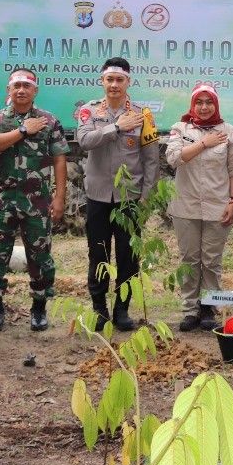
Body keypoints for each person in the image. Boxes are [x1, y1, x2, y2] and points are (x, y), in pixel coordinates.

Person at [0, 70, 69, 332]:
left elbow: (60, 158)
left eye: (26, 86)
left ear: (35, 91)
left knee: (40, 257)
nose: (21, 90)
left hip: (37, 201)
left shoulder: (49, 121)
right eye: (16, 86)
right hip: (1, 201)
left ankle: (39, 308)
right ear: (8, 89)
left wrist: (60, 197)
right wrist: (22, 130)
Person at [76, 57, 161, 331]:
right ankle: (99, 309)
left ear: (128, 82)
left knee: (127, 256)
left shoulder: (143, 115)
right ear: (102, 81)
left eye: (119, 80)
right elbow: (84, 140)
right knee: (98, 255)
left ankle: (122, 309)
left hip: (130, 199)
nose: (114, 85)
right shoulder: (89, 112)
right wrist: (116, 127)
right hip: (98, 198)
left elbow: (151, 160)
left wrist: (147, 195)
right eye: (109, 79)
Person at [165, 83, 233, 332]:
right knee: (189, 259)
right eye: (199, 102)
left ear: (216, 104)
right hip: (185, 205)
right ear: (192, 104)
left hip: (218, 205)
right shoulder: (180, 128)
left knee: (211, 260)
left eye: (209, 102)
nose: (204, 107)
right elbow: (174, 158)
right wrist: (204, 143)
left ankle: (209, 307)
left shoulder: (229, 131)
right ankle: (190, 309)